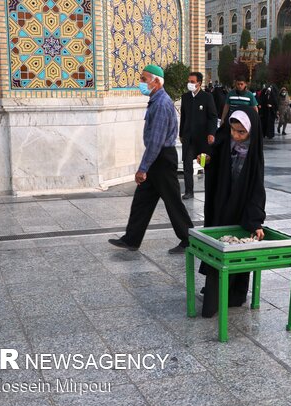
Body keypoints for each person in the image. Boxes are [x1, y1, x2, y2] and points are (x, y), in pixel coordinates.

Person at [108, 65, 193, 254]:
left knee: (172, 201)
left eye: (144, 79)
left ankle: (189, 239)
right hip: (159, 157)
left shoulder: (162, 103)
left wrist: (143, 168)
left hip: (162, 159)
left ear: (156, 82)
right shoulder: (156, 100)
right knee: (142, 199)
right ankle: (132, 239)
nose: (141, 83)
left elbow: (156, 141)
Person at [199, 107, 266, 318]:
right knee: (217, 248)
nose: (236, 136)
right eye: (233, 131)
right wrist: (207, 159)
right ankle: (213, 297)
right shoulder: (225, 143)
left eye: (241, 132)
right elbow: (213, 159)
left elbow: (256, 189)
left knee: (237, 254)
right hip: (221, 205)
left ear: (251, 133)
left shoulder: (254, 155)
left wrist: (255, 222)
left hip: (241, 210)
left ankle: (235, 294)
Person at [179, 72, 218, 199]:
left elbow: (212, 117)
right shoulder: (185, 97)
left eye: (192, 81)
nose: (189, 83)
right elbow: (183, 117)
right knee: (187, 166)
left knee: (204, 164)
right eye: (188, 81)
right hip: (189, 139)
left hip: (202, 140)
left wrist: (211, 133)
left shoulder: (207, 97)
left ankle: (211, 190)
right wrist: (181, 133)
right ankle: (189, 191)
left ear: (199, 83)